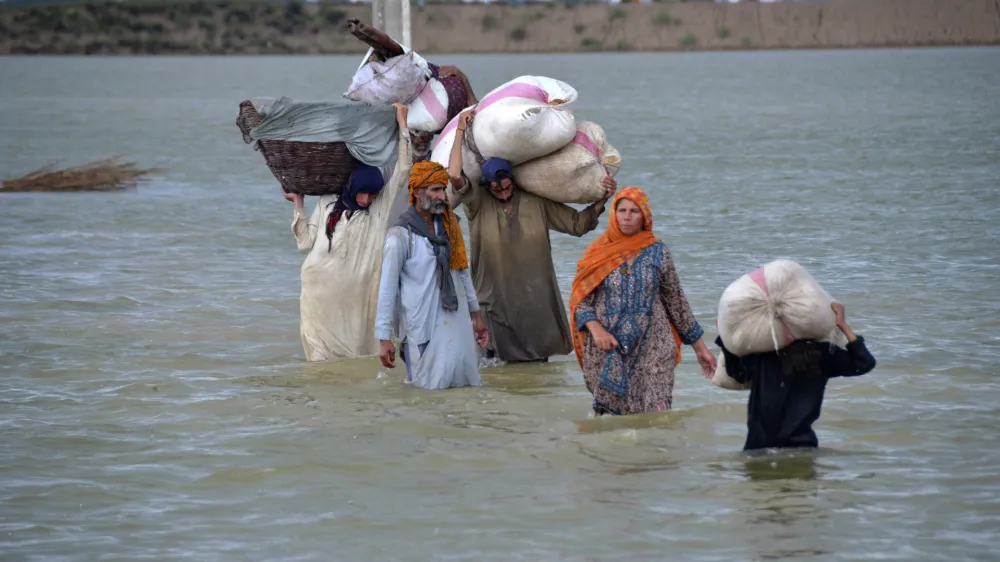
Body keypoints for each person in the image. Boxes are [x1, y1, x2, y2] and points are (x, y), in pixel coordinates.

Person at [446, 110, 617, 363]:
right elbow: (454, 175)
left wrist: (603, 197)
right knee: (494, 366)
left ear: (513, 181)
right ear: (487, 185)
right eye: (496, 187)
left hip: (534, 301)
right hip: (493, 299)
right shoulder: (477, 202)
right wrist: (460, 131)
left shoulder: (536, 201)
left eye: (506, 185)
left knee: (536, 366)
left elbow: (578, 224)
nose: (502, 191)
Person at [569, 187, 717, 416]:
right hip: (608, 348)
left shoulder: (658, 252)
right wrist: (597, 330)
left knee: (656, 417)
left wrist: (701, 349)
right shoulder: (597, 253)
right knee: (611, 425)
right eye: (622, 210)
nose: (627, 217)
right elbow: (581, 303)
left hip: (654, 346)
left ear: (645, 216)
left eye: (634, 211)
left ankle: (658, 450)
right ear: (614, 214)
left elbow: (677, 303)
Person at [286, 103, 412, 361]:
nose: (366, 199)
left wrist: (402, 125)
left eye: (372, 194)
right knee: (320, 359)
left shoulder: (378, 211)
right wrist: (298, 204)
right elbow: (305, 243)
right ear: (352, 187)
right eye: (363, 192)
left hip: (355, 299)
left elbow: (403, 170)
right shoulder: (327, 203)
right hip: (318, 294)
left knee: (356, 354)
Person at [375, 161, 489, 389]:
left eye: (443, 189)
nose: (442, 196)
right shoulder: (400, 235)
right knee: (425, 393)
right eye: (434, 190)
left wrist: (476, 315)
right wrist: (384, 337)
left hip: (456, 322)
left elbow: (463, 272)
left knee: (463, 385)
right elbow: (387, 289)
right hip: (421, 328)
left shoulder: (450, 227)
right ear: (417, 192)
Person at [715, 302, 877, 451]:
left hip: (759, 448)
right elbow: (864, 363)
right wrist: (842, 324)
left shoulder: (763, 354)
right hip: (802, 447)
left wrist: (725, 335)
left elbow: (738, 374)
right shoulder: (822, 355)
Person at [410, 64, 477, 163]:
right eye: (416, 131)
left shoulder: (439, 162)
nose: (422, 138)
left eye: (427, 131)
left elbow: (476, 119)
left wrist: (463, 79)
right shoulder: (390, 165)